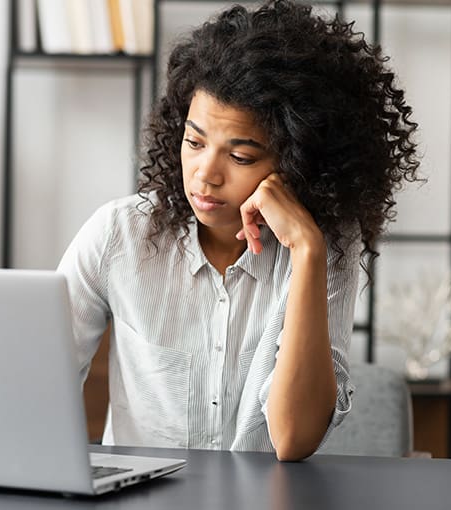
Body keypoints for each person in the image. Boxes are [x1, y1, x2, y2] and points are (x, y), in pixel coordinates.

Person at [57, 0, 420, 461]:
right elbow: (32, 383)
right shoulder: (119, 234)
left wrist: (307, 250)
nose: (205, 175)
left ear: (296, 162)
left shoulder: (323, 243)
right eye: (194, 142)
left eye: (241, 156)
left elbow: (294, 439)